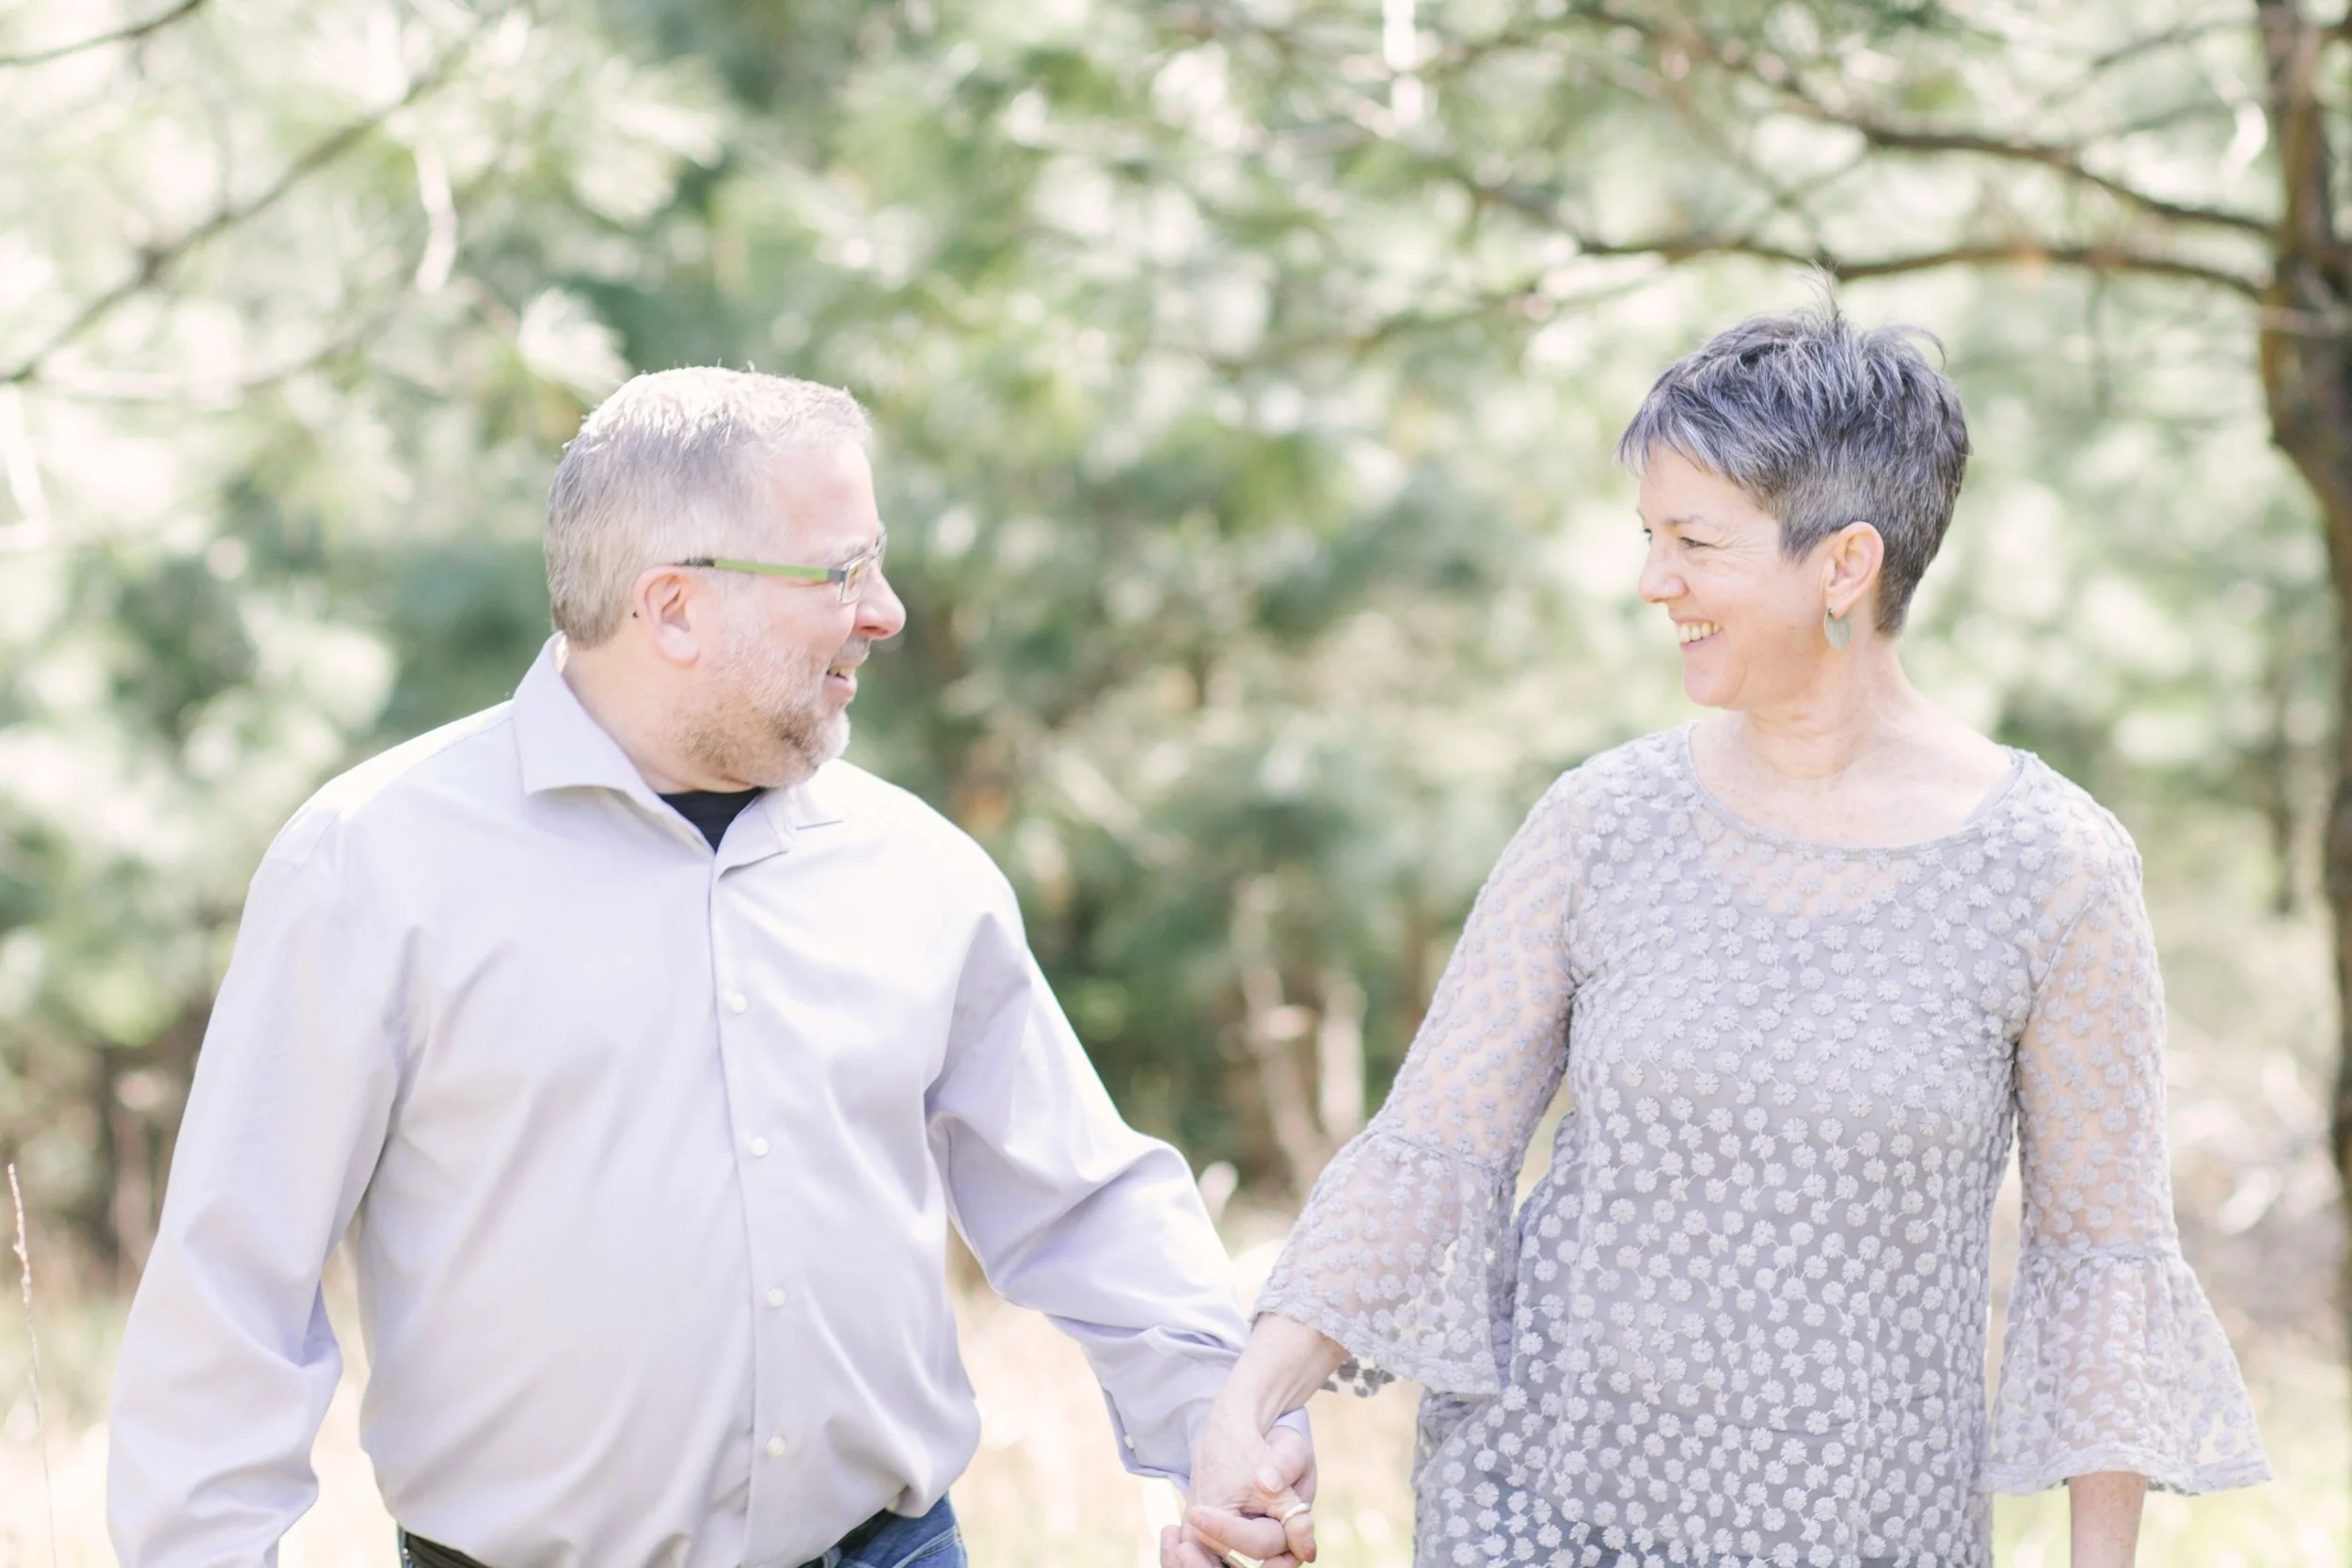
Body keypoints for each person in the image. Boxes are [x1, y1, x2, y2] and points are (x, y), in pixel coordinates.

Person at [107, 368, 1312, 1568]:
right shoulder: (370, 865)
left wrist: (1229, 1432)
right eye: (840, 571)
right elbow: (232, 1290)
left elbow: (1085, 1201)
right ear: (674, 607)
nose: (886, 611)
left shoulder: (921, 868)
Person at [1169, 305, 2270, 1568]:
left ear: (1845, 565)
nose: (1655, 582)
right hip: (1541, 1515)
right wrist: (1249, 1401)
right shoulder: (1600, 820)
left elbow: (2099, 1265)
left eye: (1694, 542)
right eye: (1649, 537)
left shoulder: (2056, 868)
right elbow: (1434, 1149)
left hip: (1867, 1534)